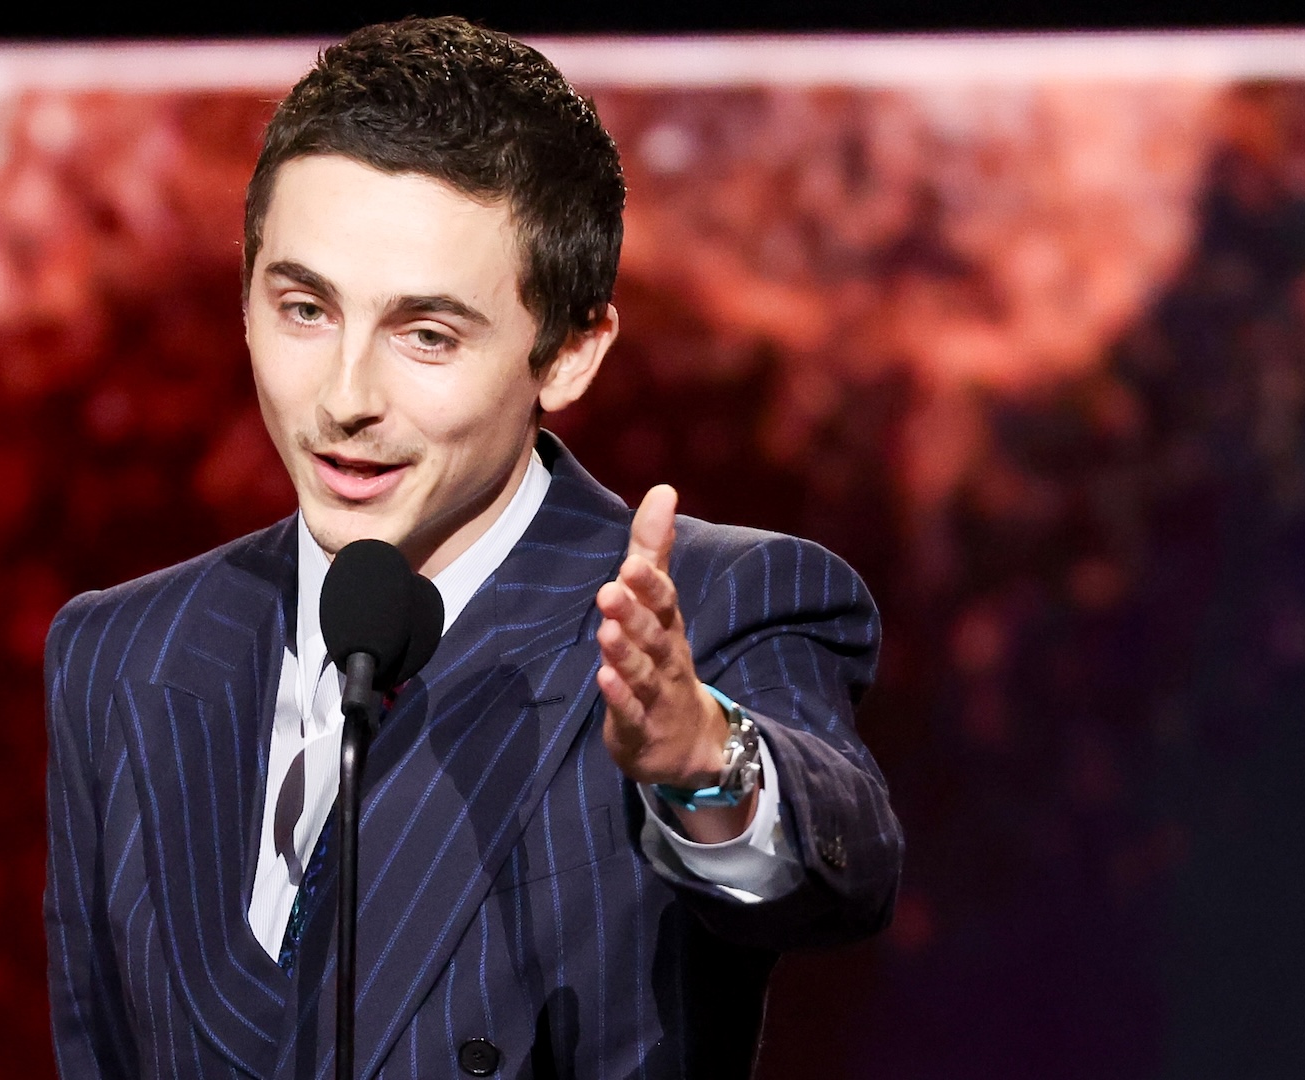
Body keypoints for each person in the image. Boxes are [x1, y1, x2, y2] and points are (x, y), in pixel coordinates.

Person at [44, 16, 902, 1079]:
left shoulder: (712, 608)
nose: (347, 398)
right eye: (305, 309)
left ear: (572, 355)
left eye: (427, 335)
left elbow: (846, 866)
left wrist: (700, 763)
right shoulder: (120, 655)